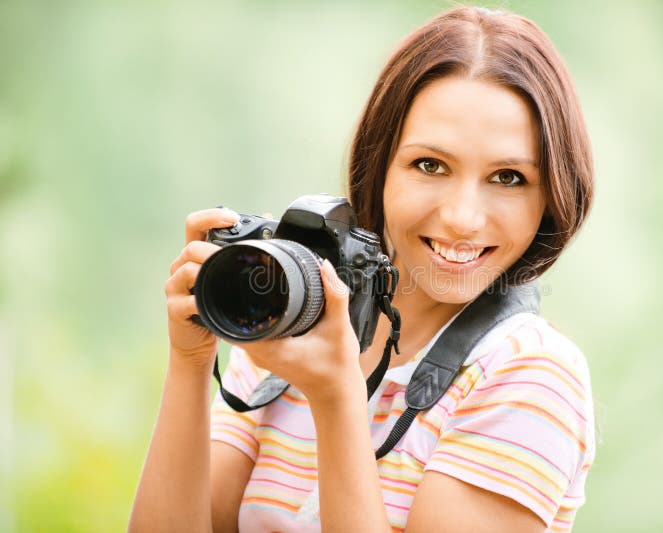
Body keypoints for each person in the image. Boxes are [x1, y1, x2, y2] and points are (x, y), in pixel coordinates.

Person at [129, 6, 595, 533]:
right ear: (380, 167)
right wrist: (191, 362)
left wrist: (336, 397)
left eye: (508, 177)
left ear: (552, 196)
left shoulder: (530, 374)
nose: (463, 218)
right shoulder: (291, 315)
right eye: (430, 165)